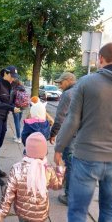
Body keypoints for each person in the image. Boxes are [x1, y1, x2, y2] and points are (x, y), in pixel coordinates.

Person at [54, 42, 112, 222]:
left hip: (86, 157)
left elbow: (72, 120)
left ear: (101, 59)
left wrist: (59, 147)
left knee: (78, 211)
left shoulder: (86, 83)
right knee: (109, 211)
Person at [0, 132, 65, 222]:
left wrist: (1, 212)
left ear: (27, 150)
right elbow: (58, 185)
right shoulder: (48, 169)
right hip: (40, 214)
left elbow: (8, 192)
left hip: (22, 212)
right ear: (45, 152)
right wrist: (60, 167)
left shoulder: (16, 169)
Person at [0, 66, 21, 186]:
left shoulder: (9, 86)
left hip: (3, 118)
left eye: (14, 77)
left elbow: (9, 102)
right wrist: (12, 108)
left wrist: (17, 104)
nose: (13, 79)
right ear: (5, 74)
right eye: (12, 76)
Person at [49, 72, 76, 205]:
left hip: (70, 135)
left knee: (69, 164)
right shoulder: (81, 91)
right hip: (82, 136)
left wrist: (53, 133)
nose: (59, 85)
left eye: (61, 82)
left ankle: (69, 196)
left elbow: (60, 117)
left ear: (69, 80)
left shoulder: (67, 94)